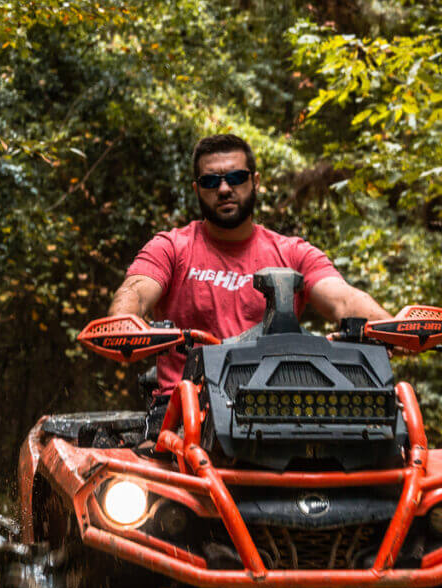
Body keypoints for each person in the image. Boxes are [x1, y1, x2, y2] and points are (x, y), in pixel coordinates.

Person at [110, 133, 392, 411]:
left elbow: (343, 299)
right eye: (211, 181)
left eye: (236, 178)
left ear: (255, 182)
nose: (223, 189)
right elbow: (136, 290)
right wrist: (123, 323)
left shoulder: (292, 253)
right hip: (186, 410)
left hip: (278, 406)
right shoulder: (172, 248)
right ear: (197, 189)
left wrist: (390, 326)